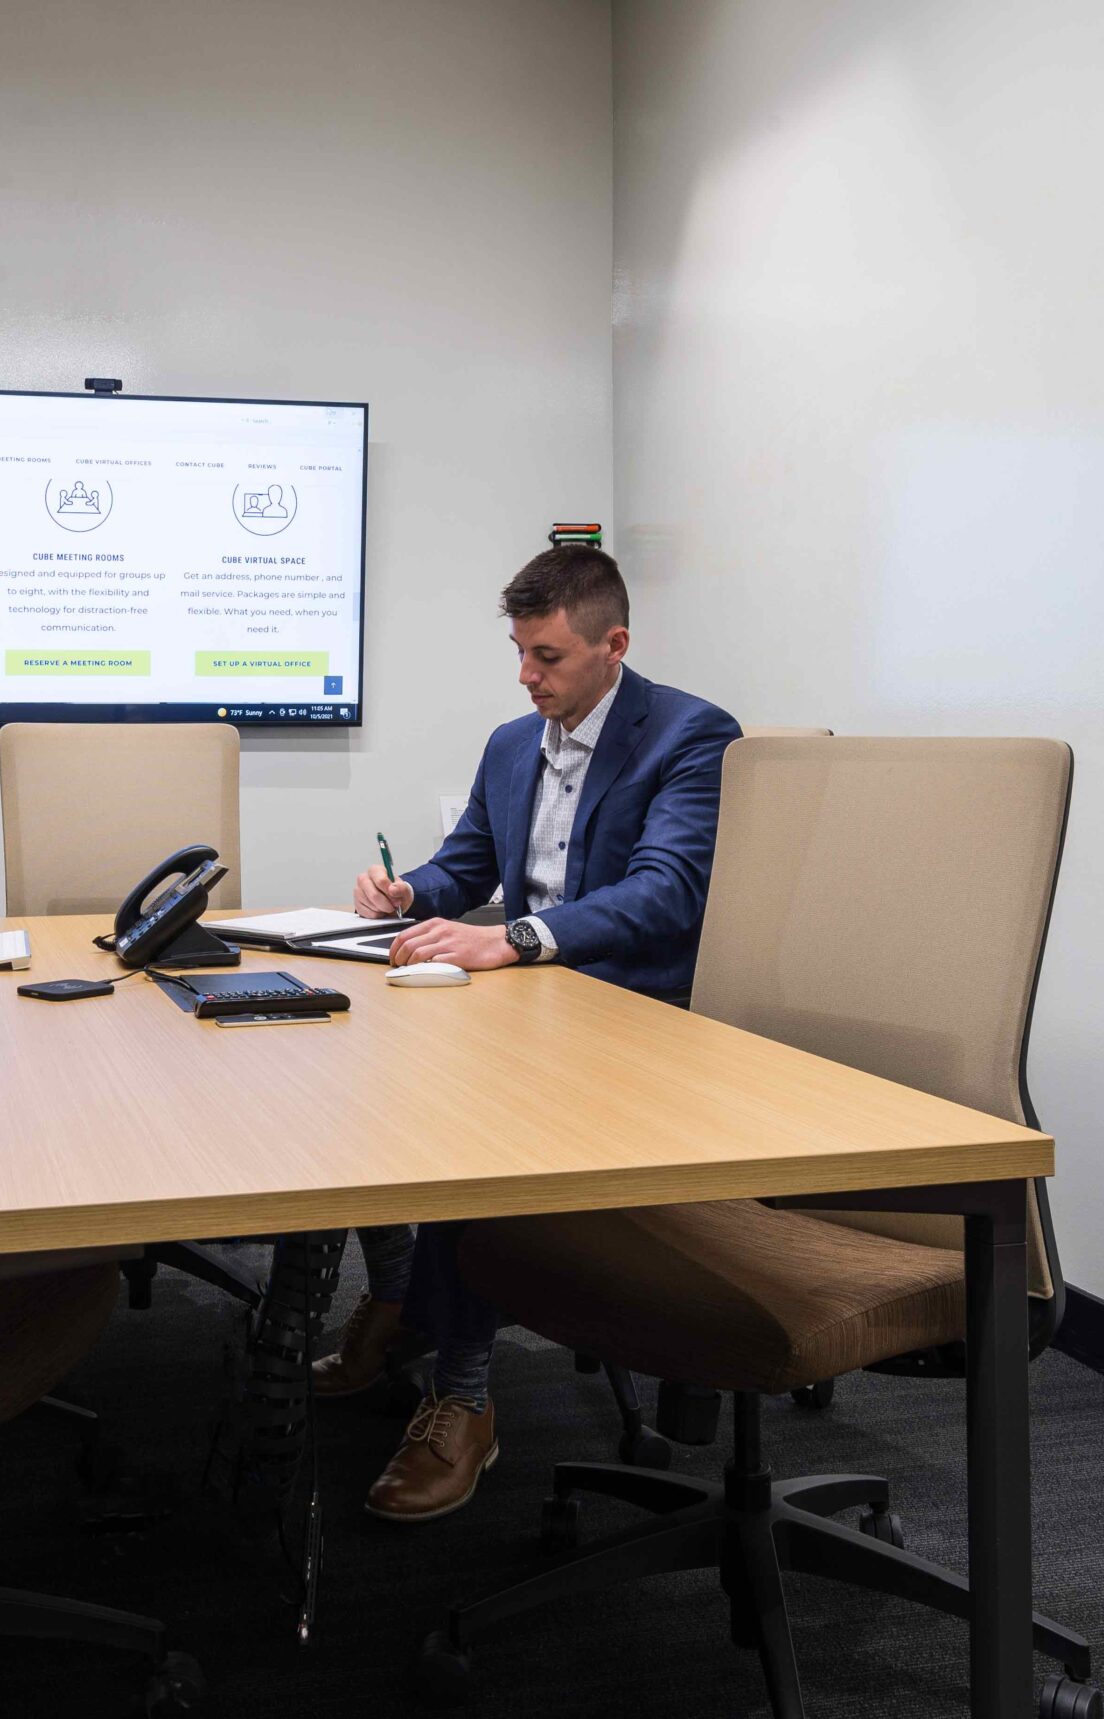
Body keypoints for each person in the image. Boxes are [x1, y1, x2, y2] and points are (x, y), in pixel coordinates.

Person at [314, 543, 739, 1522]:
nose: (525, 675)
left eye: (544, 655)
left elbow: (666, 894)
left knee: (472, 1134)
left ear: (611, 644)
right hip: (524, 1005)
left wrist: (514, 938)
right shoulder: (514, 741)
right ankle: (395, 1303)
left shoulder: (689, 736)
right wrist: (408, 891)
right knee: (345, 1073)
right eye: (518, 651)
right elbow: (466, 862)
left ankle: (457, 1397)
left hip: (633, 1022)